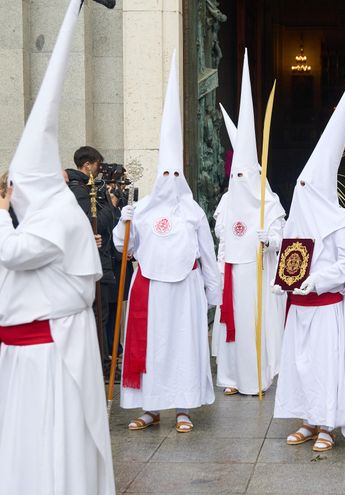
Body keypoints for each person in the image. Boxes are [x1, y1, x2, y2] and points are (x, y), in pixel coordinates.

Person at [0, 1, 115, 491]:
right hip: (23, 351)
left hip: (48, 355)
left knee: (46, 446)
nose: (13, 197)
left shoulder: (56, 216)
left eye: (18, 187)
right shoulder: (43, 215)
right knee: (20, 447)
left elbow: (15, 252)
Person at [272, 38, 345, 453]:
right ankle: (306, 418)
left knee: (325, 365)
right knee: (300, 366)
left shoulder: (338, 218)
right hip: (299, 307)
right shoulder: (297, 219)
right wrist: (283, 280)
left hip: (327, 304)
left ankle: (327, 424)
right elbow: (288, 256)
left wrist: (318, 280)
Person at [113, 54, 220, 433]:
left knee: (183, 349)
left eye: (178, 173)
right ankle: (149, 407)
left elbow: (208, 254)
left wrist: (213, 291)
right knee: (153, 348)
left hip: (186, 290)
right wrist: (122, 222)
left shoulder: (193, 212)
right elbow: (124, 248)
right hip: (150, 288)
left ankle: (183, 408)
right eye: (167, 173)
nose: (172, 178)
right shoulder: (140, 209)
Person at [212, 51, 286, 396]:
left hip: (258, 274)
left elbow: (281, 238)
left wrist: (268, 240)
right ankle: (231, 377)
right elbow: (220, 233)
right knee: (234, 326)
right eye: (236, 174)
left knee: (256, 324)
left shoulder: (268, 202)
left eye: (246, 174)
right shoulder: (227, 201)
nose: (240, 180)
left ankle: (258, 376)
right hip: (232, 272)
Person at [67, 145, 117, 370]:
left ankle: (102, 359)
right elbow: (93, 223)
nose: (98, 170)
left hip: (101, 260)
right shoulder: (80, 190)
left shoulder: (88, 187)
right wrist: (110, 205)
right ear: (87, 165)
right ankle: (100, 363)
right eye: (97, 165)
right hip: (94, 263)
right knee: (99, 315)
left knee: (102, 313)